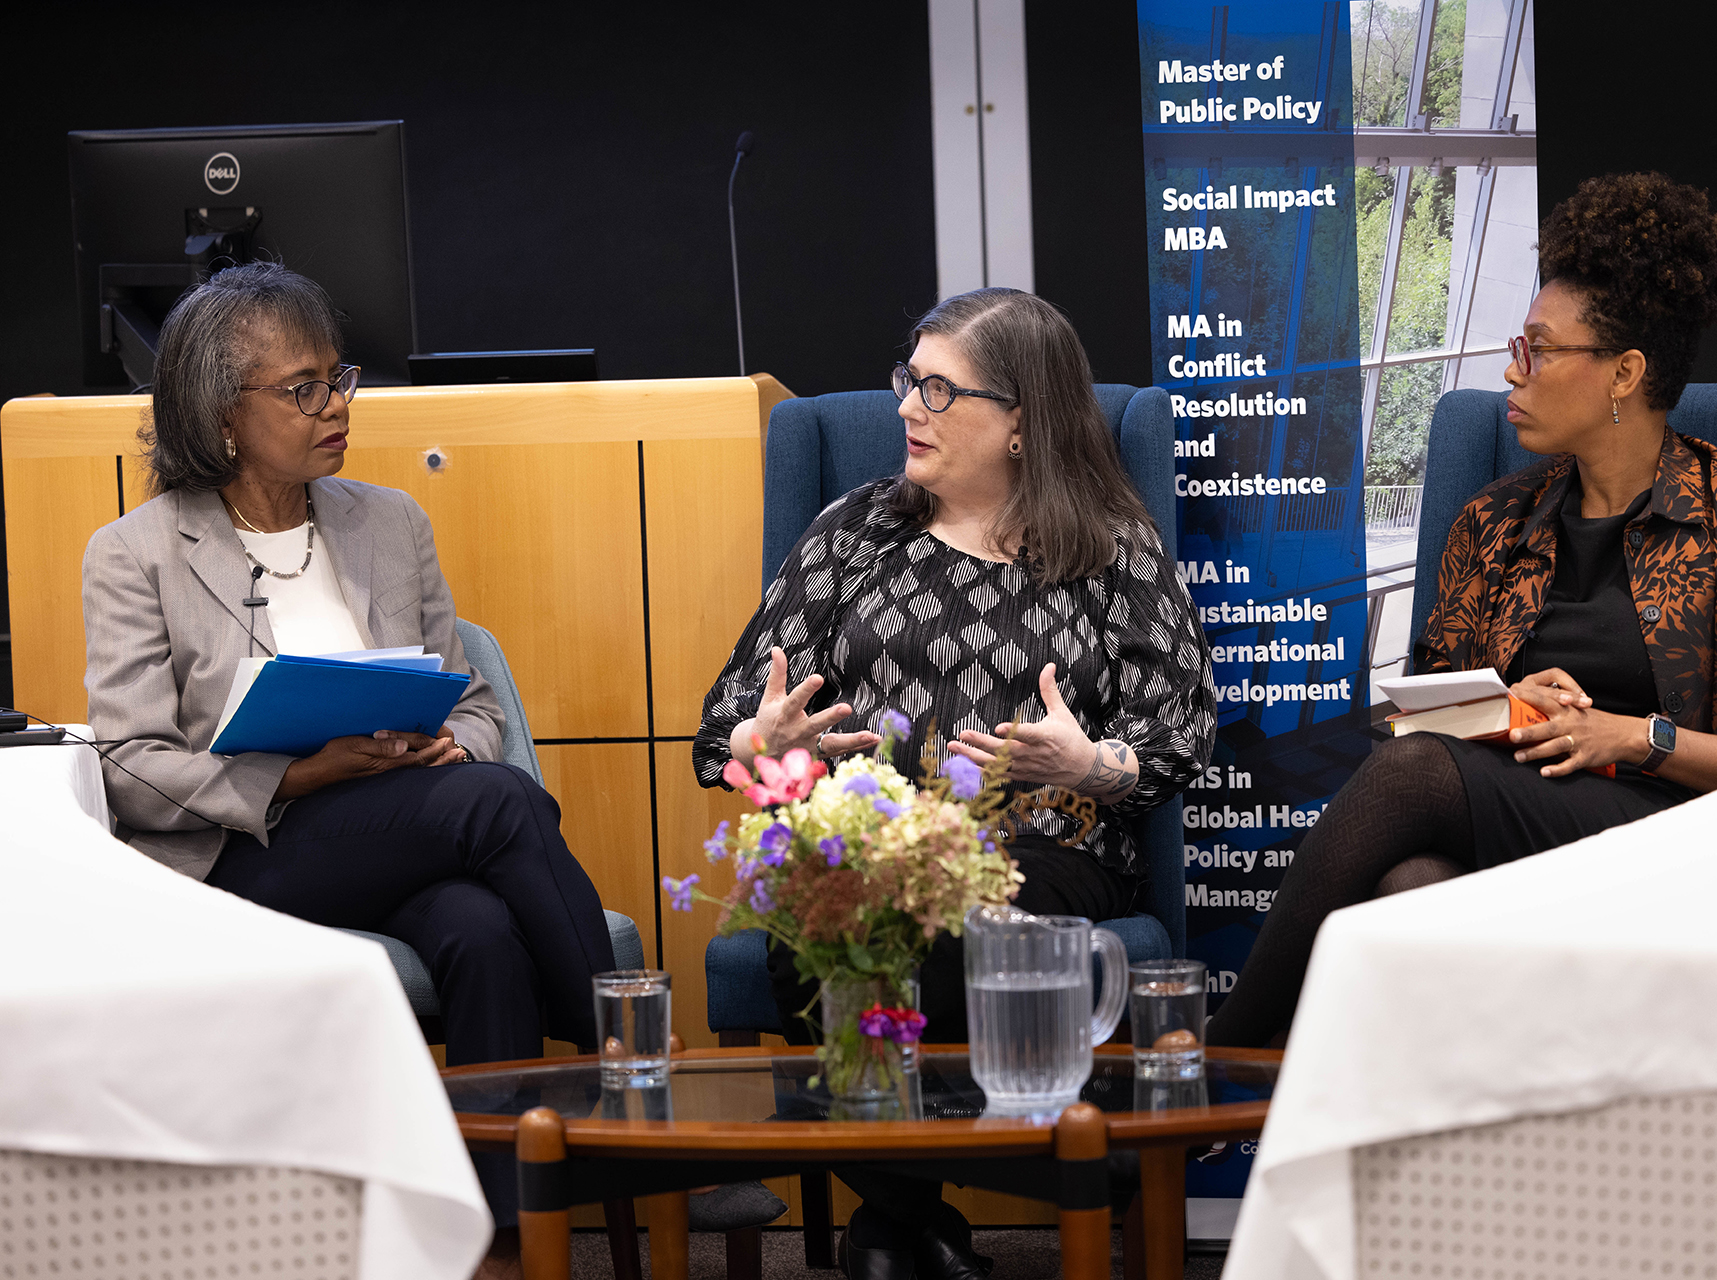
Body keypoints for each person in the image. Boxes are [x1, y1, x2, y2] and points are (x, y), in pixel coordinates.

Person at [1206, 172, 1717, 1051]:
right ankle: (1456, 1172)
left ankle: (1219, 1060)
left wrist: (1632, 737)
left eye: (1538, 349)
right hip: (1525, 825)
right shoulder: (1497, 521)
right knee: (1412, 887)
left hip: (1673, 840)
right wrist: (1508, 709)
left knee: (1415, 781)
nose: (1514, 369)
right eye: (1518, 343)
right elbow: (1415, 715)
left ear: (1624, 372)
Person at [80, 262, 614, 1279]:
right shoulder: (133, 552)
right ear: (221, 414)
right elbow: (132, 766)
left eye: (341, 378)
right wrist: (302, 772)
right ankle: (637, 1088)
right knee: (499, 809)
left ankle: (502, 1241)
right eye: (303, 388)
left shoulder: (389, 520)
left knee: (482, 926)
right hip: (250, 855)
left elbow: (470, 695)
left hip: (413, 824)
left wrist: (459, 740)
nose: (337, 408)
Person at [694, 287, 1217, 1278]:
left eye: (938, 387)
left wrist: (1088, 762)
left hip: (1044, 847)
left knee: (938, 904)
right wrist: (763, 739)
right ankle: (940, 1208)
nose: (906, 408)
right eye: (909, 379)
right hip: (868, 837)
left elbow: (1183, 725)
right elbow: (727, 716)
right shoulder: (857, 532)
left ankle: (891, 1223)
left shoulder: (1110, 542)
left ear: (1020, 418)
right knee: (836, 894)